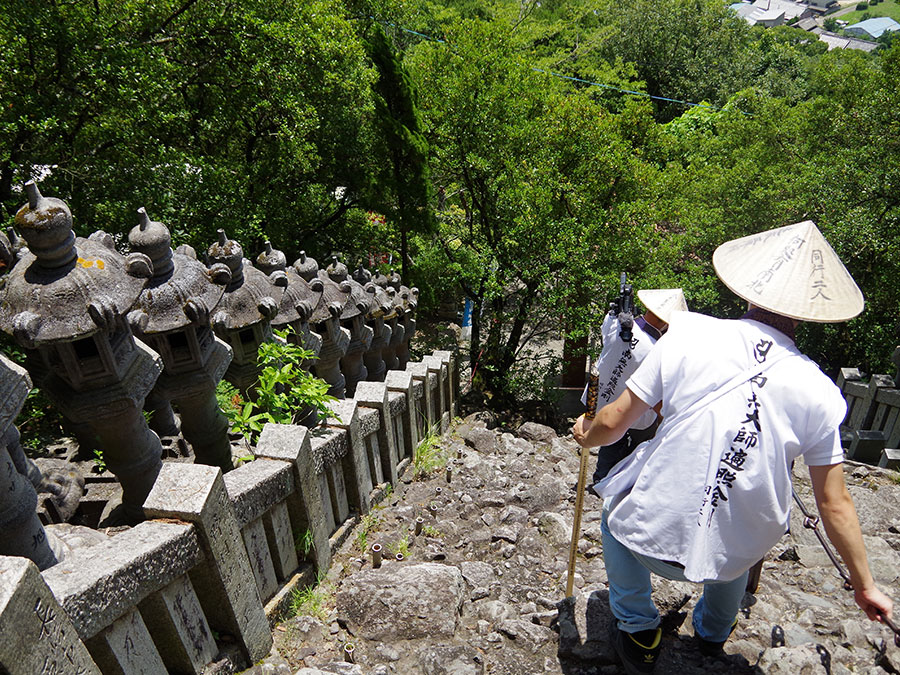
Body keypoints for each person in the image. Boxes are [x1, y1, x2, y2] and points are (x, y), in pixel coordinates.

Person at [572, 221, 894, 674]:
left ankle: (639, 629)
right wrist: (865, 586)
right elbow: (834, 502)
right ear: (806, 313)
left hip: (652, 541)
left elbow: (613, 421)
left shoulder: (687, 334)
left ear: (750, 289)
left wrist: (585, 433)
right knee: (741, 529)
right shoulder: (822, 393)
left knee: (611, 514)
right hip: (736, 553)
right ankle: (713, 633)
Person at [581, 288, 688, 486]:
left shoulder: (616, 323)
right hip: (633, 407)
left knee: (609, 438)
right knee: (638, 444)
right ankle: (624, 482)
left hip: (600, 395)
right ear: (666, 322)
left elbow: (609, 332)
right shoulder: (656, 348)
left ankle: (601, 478)